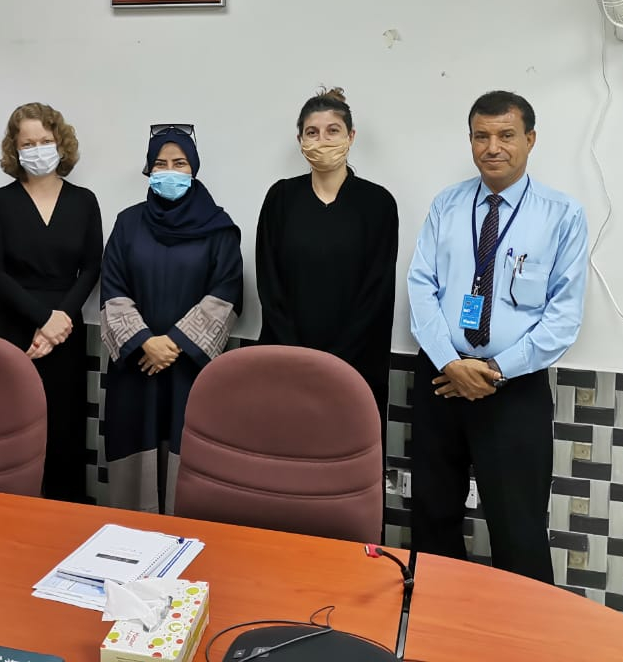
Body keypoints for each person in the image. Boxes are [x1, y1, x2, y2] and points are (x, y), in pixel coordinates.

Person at [407, 90, 588, 583]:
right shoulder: (446, 205)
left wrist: (494, 370)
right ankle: (437, 619)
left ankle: (523, 627)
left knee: (519, 529)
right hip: (441, 380)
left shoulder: (561, 214)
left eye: (506, 135)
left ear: (530, 139)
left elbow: (563, 316)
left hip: (513, 387)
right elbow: (421, 287)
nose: (493, 147)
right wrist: (450, 362)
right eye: (481, 136)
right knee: (433, 519)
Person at [99, 126, 243, 514]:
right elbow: (112, 287)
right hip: (137, 368)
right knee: (134, 465)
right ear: (148, 169)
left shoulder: (219, 229)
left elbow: (227, 291)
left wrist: (175, 342)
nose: (169, 171)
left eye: (179, 163)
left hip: (190, 372)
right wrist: (145, 341)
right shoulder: (128, 223)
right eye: (160, 164)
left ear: (194, 167)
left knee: (190, 462)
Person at [0, 103, 102, 504]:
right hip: (11, 326)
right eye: (27, 143)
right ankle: (0, 511)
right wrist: (43, 318)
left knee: (64, 431)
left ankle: (65, 520)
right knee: (7, 426)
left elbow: (92, 267)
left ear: (60, 144)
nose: (37, 149)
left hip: (66, 328)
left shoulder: (84, 201)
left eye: (45, 141)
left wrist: (59, 319)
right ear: (14, 150)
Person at [250, 87, 398, 423]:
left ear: (351, 136)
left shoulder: (378, 204)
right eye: (312, 132)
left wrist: (333, 364)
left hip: (355, 367)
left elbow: (376, 293)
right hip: (285, 361)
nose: (322, 140)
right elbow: (269, 284)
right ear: (300, 140)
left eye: (333, 131)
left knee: (344, 448)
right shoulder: (281, 198)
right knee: (283, 444)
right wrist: (297, 357)